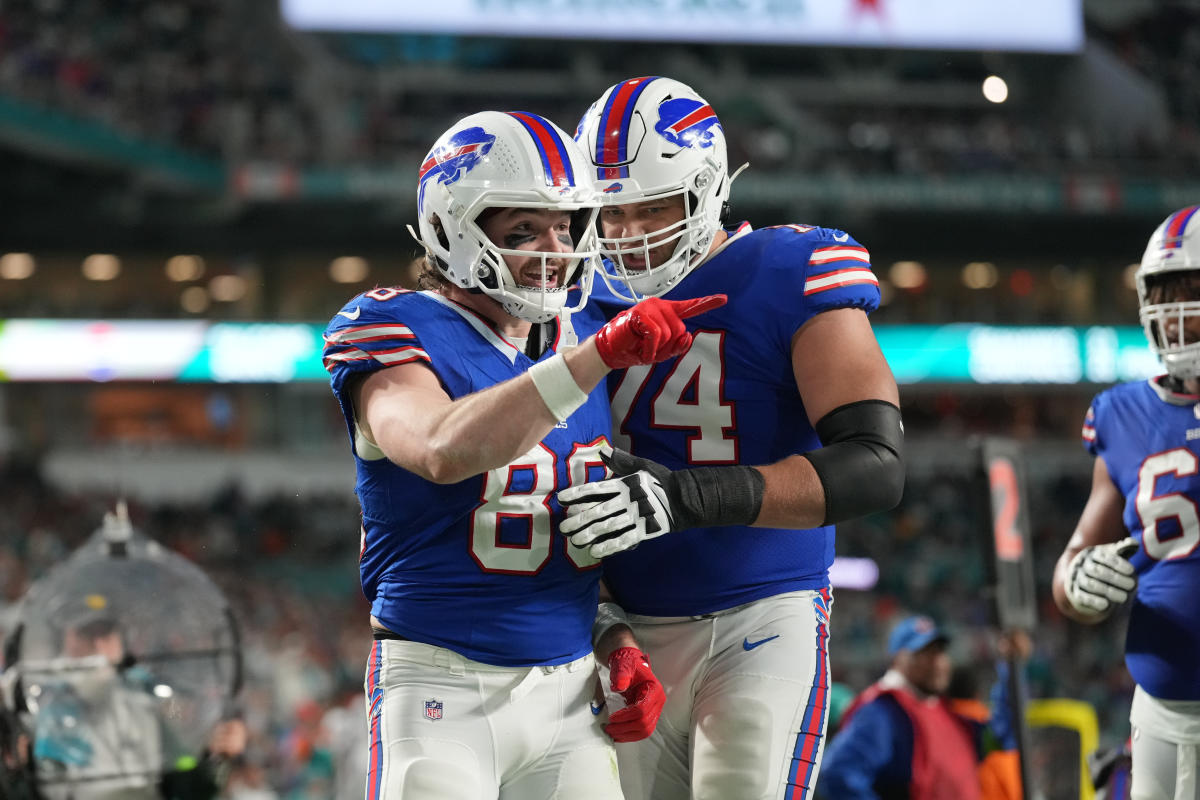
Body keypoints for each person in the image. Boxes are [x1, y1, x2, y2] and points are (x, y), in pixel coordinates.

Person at [321, 109, 726, 800]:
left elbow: (558, 537)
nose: (555, 250)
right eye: (522, 232)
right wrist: (592, 360)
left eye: (565, 227)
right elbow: (441, 448)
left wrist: (614, 638)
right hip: (441, 689)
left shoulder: (575, 339)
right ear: (452, 231)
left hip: (569, 695)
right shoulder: (391, 326)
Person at [557, 77, 905, 800]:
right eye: (611, 211)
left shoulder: (786, 271)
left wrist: (687, 496)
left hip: (760, 613)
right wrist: (603, 625)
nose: (629, 232)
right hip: (623, 628)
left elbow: (875, 465)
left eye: (652, 206)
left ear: (707, 188)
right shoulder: (562, 299)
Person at [1051, 206, 1200, 800]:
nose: (1174, 313)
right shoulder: (1121, 414)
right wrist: (1080, 584)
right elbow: (1071, 569)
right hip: (1159, 702)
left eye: (1191, 291)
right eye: (1164, 293)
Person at [817, 616, 1023, 800]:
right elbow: (839, 774)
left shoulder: (944, 714)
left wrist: (1011, 669)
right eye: (923, 654)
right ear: (898, 659)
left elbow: (1002, 736)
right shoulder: (884, 712)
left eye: (939, 652)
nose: (936, 662)